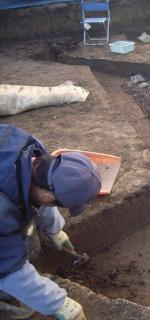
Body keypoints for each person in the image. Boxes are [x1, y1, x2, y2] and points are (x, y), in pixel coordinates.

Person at [0, 124, 102, 319]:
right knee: (19, 303)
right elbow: (9, 270)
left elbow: (40, 192)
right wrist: (59, 304)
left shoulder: (30, 150)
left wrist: (55, 230)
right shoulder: (2, 211)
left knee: (27, 242)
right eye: (60, 203)